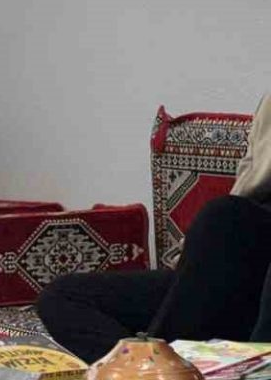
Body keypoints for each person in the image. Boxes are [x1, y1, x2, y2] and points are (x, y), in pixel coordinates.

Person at [37, 93, 271, 363]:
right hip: (243, 268)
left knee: (224, 215)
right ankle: (151, 369)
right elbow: (246, 186)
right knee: (64, 296)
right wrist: (197, 255)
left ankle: (191, 374)